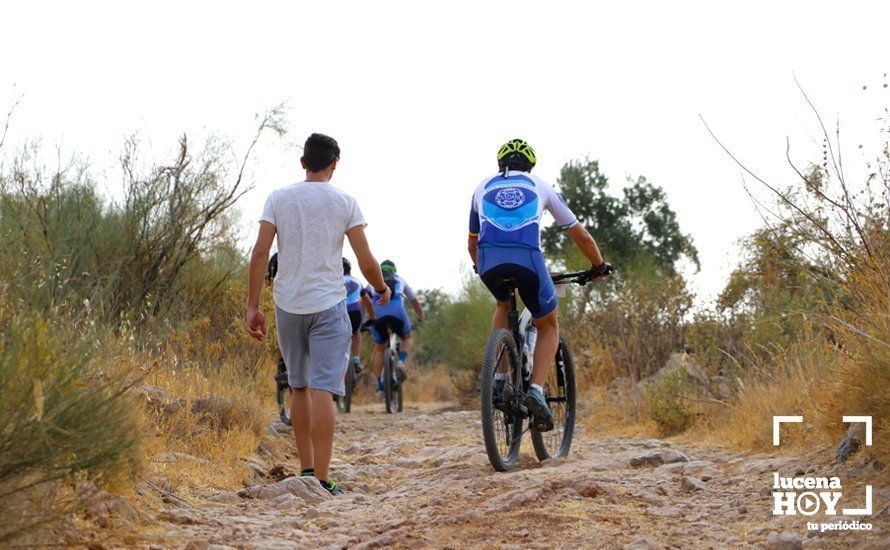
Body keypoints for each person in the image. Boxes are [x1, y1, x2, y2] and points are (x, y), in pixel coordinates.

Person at [246, 133, 392, 495]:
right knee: (323, 389)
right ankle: (322, 480)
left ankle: (306, 468)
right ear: (335, 164)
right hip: (328, 303)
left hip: (287, 303)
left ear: (303, 162)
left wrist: (252, 305)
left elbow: (260, 252)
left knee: (298, 386)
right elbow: (364, 258)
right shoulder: (345, 201)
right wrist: (381, 288)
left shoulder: (278, 198)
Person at [467, 139, 611, 432]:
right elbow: (580, 235)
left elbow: (472, 241)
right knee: (548, 324)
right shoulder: (540, 185)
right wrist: (598, 265)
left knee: (503, 304)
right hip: (527, 259)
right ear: (530, 167)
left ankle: (497, 381)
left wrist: (479, 265)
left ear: (500, 165)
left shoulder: (481, 187)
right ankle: (534, 390)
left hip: (488, 259)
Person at [367, 259, 424, 390]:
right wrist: (420, 317)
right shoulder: (400, 280)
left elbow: (363, 300)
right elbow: (414, 301)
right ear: (394, 271)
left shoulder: (372, 281)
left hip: (378, 313)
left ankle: (379, 384)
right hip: (397, 311)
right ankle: (401, 361)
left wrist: (366, 321)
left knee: (380, 349)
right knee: (408, 336)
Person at [342, 257, 376, 373]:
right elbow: (367, 302)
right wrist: (372, 318)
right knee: (356, 332)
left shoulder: (334, 280)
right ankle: (356, 361)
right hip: (355, 313)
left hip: (339, 312)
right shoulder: (357, 282)